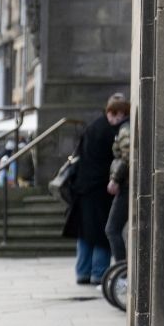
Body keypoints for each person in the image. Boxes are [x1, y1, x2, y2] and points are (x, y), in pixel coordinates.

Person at [63, 94, 129, 285]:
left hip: (83, 187)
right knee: (102, 232)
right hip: (102, 188)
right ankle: (99, 272)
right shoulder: (114, 131)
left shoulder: (93, 127)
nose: (117, 117)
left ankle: (83, 272)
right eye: (115, 113)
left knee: (85, 233)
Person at [106, 113, 132, 264]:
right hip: (126, 184)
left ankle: (122, 274)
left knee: (112, 228)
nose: (110, 119)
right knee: (114, 229)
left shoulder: (124, 129)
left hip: (126, 185)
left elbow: (127, 155)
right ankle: (122, 272)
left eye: (112, 114)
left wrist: (115, 179)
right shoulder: (124, 128)